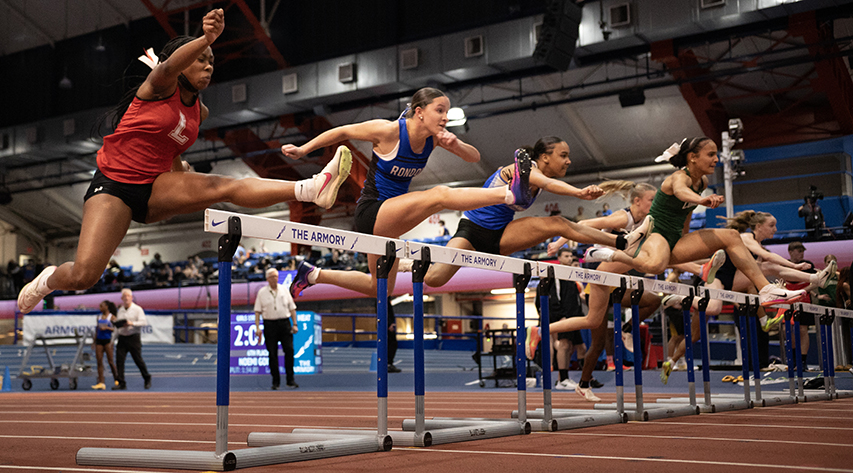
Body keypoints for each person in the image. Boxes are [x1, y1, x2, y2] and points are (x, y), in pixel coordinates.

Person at [16, 8, 352, 315]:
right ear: (180, 64)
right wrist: (206, 38)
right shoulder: (158, 86)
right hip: (114, 187)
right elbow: (168, 67)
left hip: (155, 187)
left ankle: (310, 189)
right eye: (201, 59)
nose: (208, 65)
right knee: (84, 275)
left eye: (211, 61)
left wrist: (181, 170)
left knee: (222, 186)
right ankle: (47, 280)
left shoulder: (199, 112)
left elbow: (170, 148)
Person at [526, 138, 806, 379]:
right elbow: (590, 223)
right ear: (639, 203)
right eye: (652, 201)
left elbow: (680, 221)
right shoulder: (629, 214)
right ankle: (611, 284)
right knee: (635, 290)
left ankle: (544, 335)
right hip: (607, 271)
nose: (655, 203)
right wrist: (563, 238)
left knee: (595, 318)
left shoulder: (697, 184)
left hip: (643, 256)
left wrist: (697, 261)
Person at [285, 87, 532, 300]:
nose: (445, 117)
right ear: (419, 112)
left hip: (392, 219)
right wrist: (303, 149)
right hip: (373, 212)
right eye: (440, 110)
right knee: (439, 196)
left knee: (379, 288)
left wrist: (455, 144)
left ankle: (313, 274)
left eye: (447, 112)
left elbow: (474, 157)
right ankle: (509, 195)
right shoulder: (389, 131)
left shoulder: (433, 139)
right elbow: (343, 131)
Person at [420, 137, 652, 289]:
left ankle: (622, 241)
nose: (569, 161)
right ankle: (412, 263)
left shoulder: (540, 179)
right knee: (434, 279)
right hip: (472, 231)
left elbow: (546, 184)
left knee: (559, 223)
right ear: (544, 158)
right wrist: (579, 193)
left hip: (502, 234)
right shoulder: (526, 169)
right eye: (563, 155)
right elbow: (548, 184)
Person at [535, 248, 585, 390]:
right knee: (562, 345)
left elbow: (574, 300)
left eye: (571, 256)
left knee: (573, 347)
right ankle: (561, 379)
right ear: (559, 258)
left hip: (573, 317)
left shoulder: (571, 276)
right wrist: (560, 317)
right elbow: (553, 299)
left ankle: (564, 378)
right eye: (566, 256)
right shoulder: (556, 276)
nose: (570, 258)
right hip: (562, 317)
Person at [254, 267, 299, 389]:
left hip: (284, 323)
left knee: (289, 350)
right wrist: (257, 328)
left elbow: (292, 308)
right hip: (270, 325)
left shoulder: (284, 289)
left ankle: (290, 380)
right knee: (272, 354)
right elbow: (257, 311)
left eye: (276, 276)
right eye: (272, 276)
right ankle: (276, 381)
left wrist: (295, 324)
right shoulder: (262, 292)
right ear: (268, 278)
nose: (275, 279)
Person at [113, 288, 151, 390]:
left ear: (131, 297)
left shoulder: (137, 309)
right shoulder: (120, 310)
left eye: (128, 296)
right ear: (121, 298)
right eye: (124, 296)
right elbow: (117, 327)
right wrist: (113, 340)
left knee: (138, 360)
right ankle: (121, 382)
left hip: (133, 337)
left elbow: (143, 322)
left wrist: (132, 323)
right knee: (119, 361)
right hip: (122, 337)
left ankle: (147, 377)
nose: (126, 298)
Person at [91, 300, 119, 390]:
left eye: (101, 306)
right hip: (99, 340)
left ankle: (117, 379)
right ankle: (101, 382)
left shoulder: (112, 317)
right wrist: (94, 342)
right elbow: (97, 330)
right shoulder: (98, 317)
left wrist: (107, 328)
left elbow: (116, 330)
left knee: (110, 361)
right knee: (99, 361)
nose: (100, 308)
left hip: (108, 341)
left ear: (106, 307)